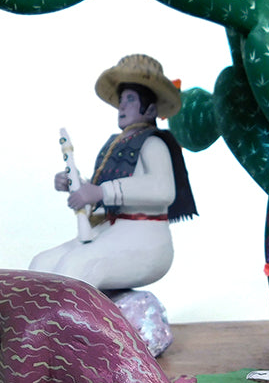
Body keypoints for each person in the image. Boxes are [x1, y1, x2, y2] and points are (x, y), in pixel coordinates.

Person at [29, 54, 197, 291]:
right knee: (41, 265)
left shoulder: (154, 144)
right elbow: (104, 190)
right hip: (112, 231)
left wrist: (101, 192)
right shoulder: (117, 144)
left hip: (145, 239)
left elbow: (163, 190)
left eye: (130, 99)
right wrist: (76, 185)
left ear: (150, 109)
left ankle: (76, 316)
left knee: (76, 268)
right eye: (121, 99)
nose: (122, 106)